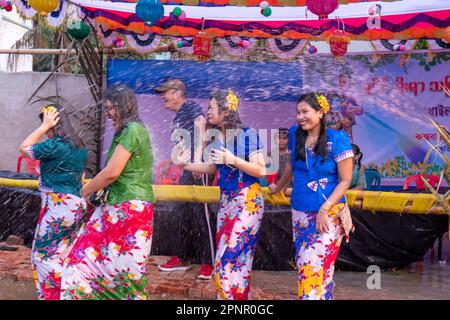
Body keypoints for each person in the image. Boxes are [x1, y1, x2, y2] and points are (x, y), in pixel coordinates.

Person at [60, 84, 155, 300]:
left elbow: (112, 172)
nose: (109, 114)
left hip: (128, 209)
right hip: (115, 207)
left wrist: (84, 190)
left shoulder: (132, 130)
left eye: (112, 108)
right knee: (84, 263)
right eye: (107, 108)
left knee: (124, 275)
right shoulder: (128, 130)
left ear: (124, 106)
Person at [176, 89, 266, 300]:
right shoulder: (216, 138)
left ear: (226, 112)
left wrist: (232, 158)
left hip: (247, 201)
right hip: (226, 202)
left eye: (211, 108)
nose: (207, 111)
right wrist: (185, 165)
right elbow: (215, 168)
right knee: (235, 262)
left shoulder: (246, 134)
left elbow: (261, 169)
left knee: (227, 262)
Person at [269, 92, 354, 300]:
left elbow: (345, 180)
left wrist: (324, 210)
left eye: (305, 111)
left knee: (311, 267)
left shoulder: (338, 139)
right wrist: (278, 187)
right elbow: (291, 164)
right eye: (298, 112)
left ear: (320, 112)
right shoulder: (294, 134)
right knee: (314, 270)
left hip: (327, 214)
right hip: (299, 211)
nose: (300, 117)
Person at [18, 104, 88, 300]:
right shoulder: (79, 145)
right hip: (75, 205)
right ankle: (70, 292)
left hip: (59, 206)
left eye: (46, 123)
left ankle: (58, 295)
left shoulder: (56, 145)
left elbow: (24, 148)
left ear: (54, 123)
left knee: (42, 256)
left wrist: (43, 127)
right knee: (63, 254)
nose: (45, 129)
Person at [155, 78, 214, 280]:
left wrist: (197, 160)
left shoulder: (190, 106)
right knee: (182, 213)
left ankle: (209, 262)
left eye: (165, 92)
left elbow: (202, 126)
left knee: (201, 216)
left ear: (178, 93)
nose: (163, 96)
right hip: (187, 171)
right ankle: (181, 257)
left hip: (198, 168)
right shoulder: (179, 115)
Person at [326, 73, 363, 142]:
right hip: (334, 121)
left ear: (350, 83)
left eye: (344, 82)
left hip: (346, 122)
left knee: (346, 142)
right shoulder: (334, 92)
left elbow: (360, 111)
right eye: (340, 81)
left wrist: (349, 106)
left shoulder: (354, 95)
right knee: (330, 140)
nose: (341, 84)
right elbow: (327, 107)